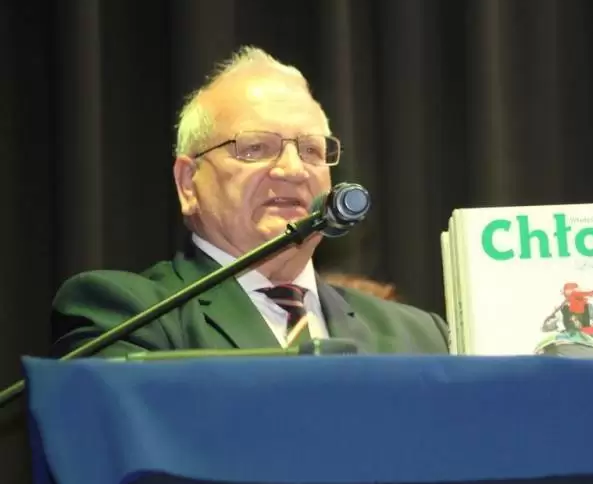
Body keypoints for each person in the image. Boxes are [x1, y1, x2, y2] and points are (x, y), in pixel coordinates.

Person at [49, 46, 448, 358]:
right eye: (256, 148)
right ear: (188, 183)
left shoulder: (421, 337)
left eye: (311, 150)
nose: (293, 170)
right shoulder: (127, 317)